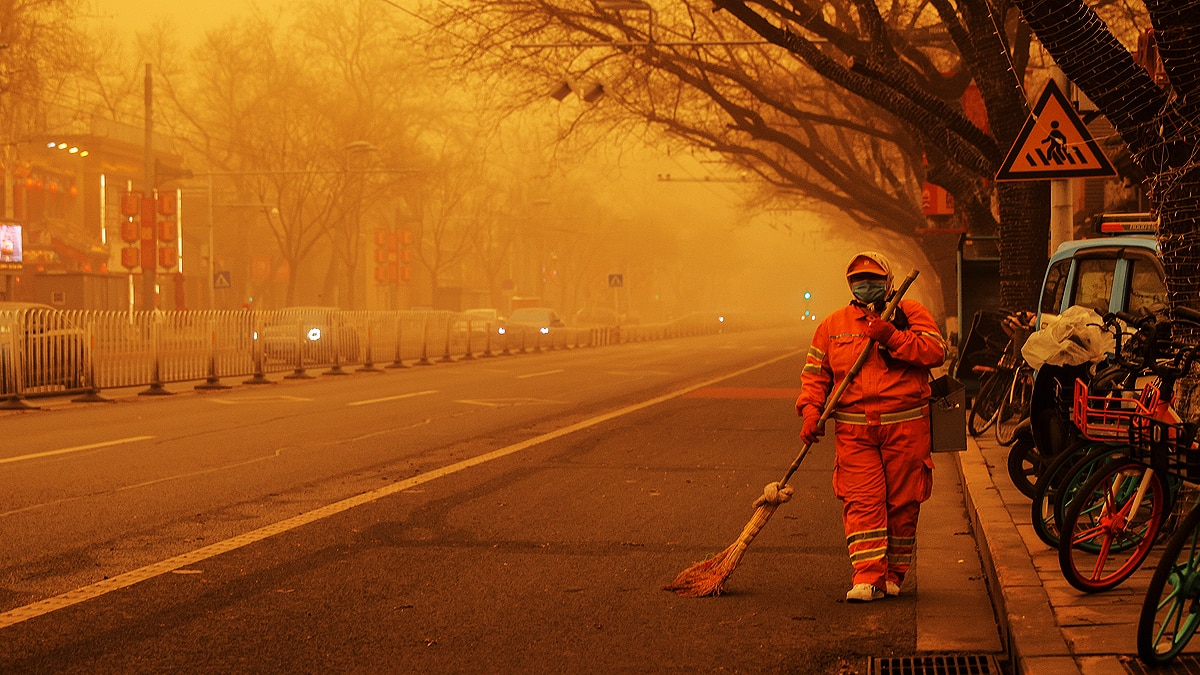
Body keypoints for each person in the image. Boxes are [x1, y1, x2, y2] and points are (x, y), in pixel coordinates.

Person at [796, 251, 947, 603]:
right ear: (850, 284)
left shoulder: (910, 313)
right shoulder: (832, 325)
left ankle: (892, 574)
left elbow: (935, 351)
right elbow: (815, 375)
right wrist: (810, 412)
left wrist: (893, 336)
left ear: (888, 281)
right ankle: (867, 576)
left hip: (906, 427)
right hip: (855, 432)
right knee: (862, 501)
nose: (866, 285)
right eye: (859, 280)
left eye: (874, 279)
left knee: (902, 503)